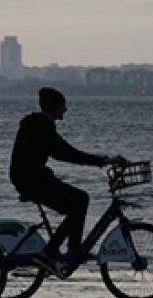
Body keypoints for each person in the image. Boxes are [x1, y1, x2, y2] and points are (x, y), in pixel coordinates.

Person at [9, 87, 125, 275]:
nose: (65, 110)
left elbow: (63, 151)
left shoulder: (38, 124)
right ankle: (51, 253)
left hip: (33, 177)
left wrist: (101, 160)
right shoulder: (41, 127)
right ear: (55, 107)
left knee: (80, 200)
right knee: (77, 204)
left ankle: (71, 249)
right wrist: (103, 161)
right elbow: (66, 153)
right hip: (31, 180)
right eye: (63, 106)